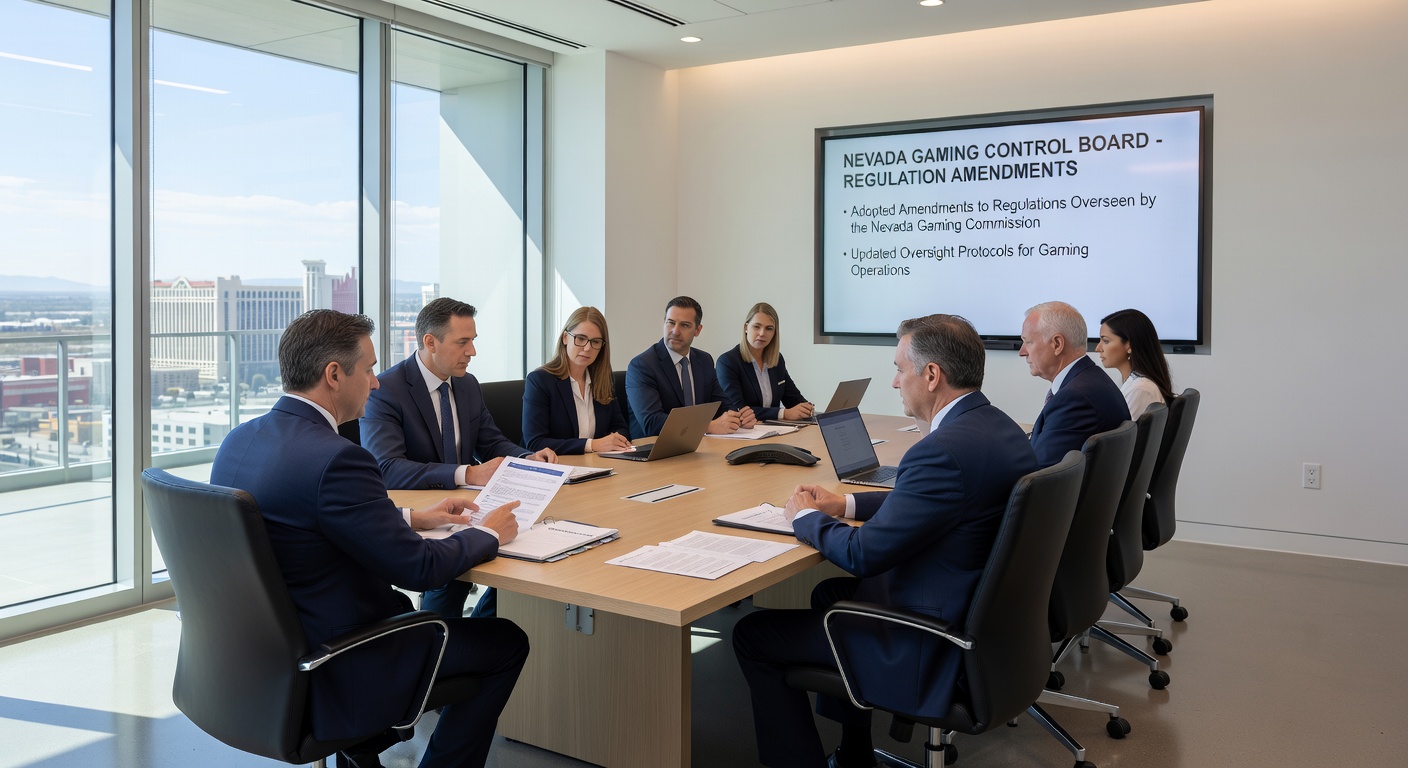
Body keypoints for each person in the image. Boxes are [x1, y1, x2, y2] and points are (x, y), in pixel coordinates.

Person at [210, 309, 528, 768]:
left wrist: (410, 517)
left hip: (266, 658)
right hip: (345, 658)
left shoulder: (239, 442)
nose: (377, 383)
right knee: (507, 641)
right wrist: (487, 534)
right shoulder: (339, 458)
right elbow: (418, 570)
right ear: (334, 375)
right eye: (370, 369)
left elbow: (306, 520)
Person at [732, 314, 1037, 768]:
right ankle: (855, 753)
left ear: (931, 375)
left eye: (900, 369)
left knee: (752, 635)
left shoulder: (940, 452)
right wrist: (845, 506)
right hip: (985, 622)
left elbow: (862, 555)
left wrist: (805, 519)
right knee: (829, 594)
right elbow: (933, 504)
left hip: (928, 640)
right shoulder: (1002, 429)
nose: (895, 382)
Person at [361, 297, 555, 620]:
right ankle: (437, 642)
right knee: (454, 577)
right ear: (430, 342)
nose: (472, 352)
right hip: (425, 516)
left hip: (469, 509)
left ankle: (476, 630)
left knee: (523, 556)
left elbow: (492, 443)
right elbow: (387, 469)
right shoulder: (387, 390)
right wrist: (467, 474)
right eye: (462, 343)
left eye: (473, 342)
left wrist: (528, 458)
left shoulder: (467, 385)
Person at [625, 295, 756, 438]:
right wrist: (708, 427)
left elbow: (722, 405)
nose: (675, 331)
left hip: (696, 447)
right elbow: (652, 423)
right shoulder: (642, 366)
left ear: (698, 330)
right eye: (670, 323)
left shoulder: (704, 360)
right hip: (654, 450)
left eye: (684, 325)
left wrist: (737, 418)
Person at [1020, 300, 1131, 468]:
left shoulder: (1075, 398)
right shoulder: (1090, 379)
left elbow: (1039, 475)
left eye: (1028, 342)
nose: (1022, 352)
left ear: (1057, 344)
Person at [522, 306, 633, 455]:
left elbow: (621, 428)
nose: (587, 348)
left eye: (595, 342)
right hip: (555, 470)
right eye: (580, 338)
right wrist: (592, 445)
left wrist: (615, 440)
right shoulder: (540, 381)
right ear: (565, 338)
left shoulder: (603, 380)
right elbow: (535, 442)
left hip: (597, 466)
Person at [715, 302, 814, 423]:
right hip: (744, 434)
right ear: (746, 328)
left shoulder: (777, 360)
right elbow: (739, 409)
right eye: (757, 327)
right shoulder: (727, 362)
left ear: (774, 333)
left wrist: (806, 408)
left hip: (773, 430)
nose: (762, 333)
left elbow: (792, 397)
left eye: (769, 328)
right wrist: (783, 413)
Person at [1096, 308, 1177, 418]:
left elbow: (1121, 434)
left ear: (1129, 345)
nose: (1098, 348)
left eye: (1105, 341)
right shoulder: (1136, 383)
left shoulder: (1139, 389)